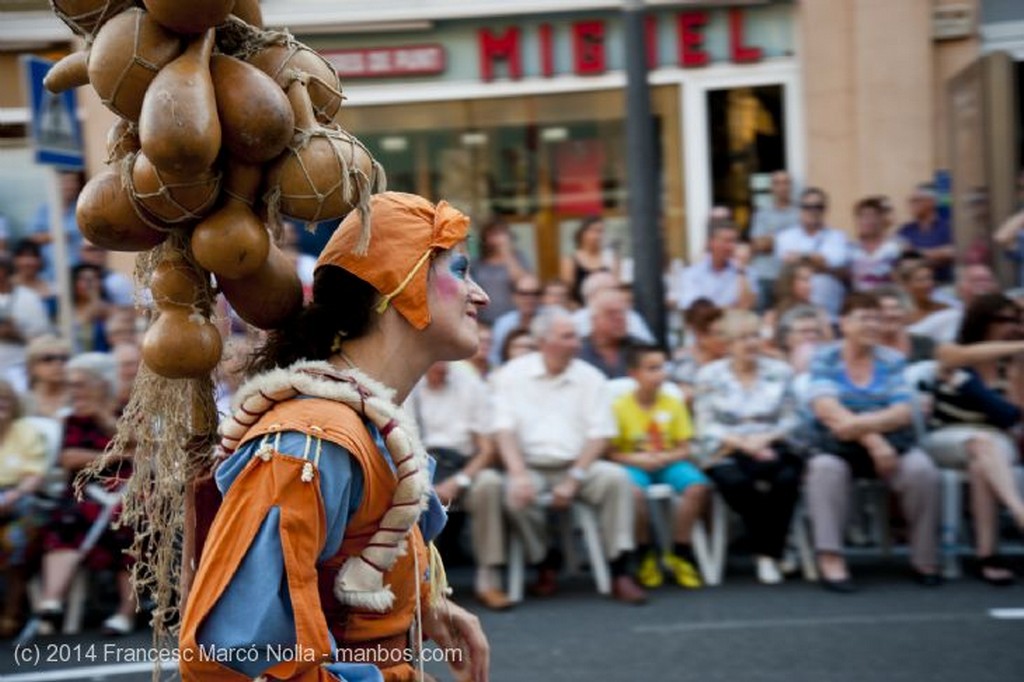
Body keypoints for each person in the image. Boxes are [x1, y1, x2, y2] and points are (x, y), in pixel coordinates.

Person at [180, 193, 490, 682]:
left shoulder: (362, 425)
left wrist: (425, 608)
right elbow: (233, 662)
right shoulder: (310, 442)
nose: (481, 295)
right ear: (399, 285)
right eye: (461, 271)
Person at [481, 306, 646, 604]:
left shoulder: (591, 377)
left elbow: (601, 434)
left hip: (579, 464)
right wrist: (518, 474)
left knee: (617, 480)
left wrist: (574, 477)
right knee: (514, 494)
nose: (577, 342)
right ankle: (545, 559)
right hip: (530, 464)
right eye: (568, 336)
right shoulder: (511, 375)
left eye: (575, 335)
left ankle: (621, 569)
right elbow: (502, 430)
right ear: (544, 341)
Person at [804, 293, 942, 592]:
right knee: (824, 468)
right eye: (863, 318)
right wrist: (875, 440)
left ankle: (925, 557)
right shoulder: (825, 357)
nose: (871, 325)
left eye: (875, 318)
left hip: (890, 441)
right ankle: (830, 558)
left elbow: (904, 411)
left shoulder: (892, 360)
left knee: (921, 470)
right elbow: (827, 409)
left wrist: (861, 426)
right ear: (844, 323)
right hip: (840, 446)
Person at [694, 310, 804, 584]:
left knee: (786, 478)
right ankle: (774, 550)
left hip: (773, 444)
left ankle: (767, 552)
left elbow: (792, 418)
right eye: (742, 338)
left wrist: (765, 440)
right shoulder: (710, 375)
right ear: (728, 344)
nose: (750, 343)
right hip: (728, 448)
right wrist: (742, 444)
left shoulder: (780, 371)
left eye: (755, 336)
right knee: (736, 482)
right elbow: (705, 424)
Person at [922, 293, 1024, 585]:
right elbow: (955, 359)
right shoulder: (952, 351)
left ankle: (986, 555)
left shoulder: (1014, 365)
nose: (1012, 326)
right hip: (945, 438)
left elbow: (1010, 415)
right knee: (981, 443)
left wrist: (971, 388)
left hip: (994, 439)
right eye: (1004, 319)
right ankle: (1019, 511)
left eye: (1016, 320)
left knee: (982, 459)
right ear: (983, 321)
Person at [37, 352, 136, 635]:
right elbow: (69, 458)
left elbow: (139, 447)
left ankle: (125, 614)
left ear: (101, 383)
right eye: (72, 384)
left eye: (80, 384)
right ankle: (51, 601)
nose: (74, 390)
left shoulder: (126, 409)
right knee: (66, 519)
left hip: (126, 491)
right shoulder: (72, 419)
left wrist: (102, 416)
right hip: (84, 493)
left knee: (127, 524)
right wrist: (116, 455)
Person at [406, 362, 506, 609]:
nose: (441, 365)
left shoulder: (470, 385)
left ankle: (488, 578)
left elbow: (487, 449)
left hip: (465, 468)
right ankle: (425, 583)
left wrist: (460, 481)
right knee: (411, 491)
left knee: (490, 484)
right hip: (421, 468)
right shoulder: (408, 385)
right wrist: (426, 481)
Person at [611, 344, 708, 590]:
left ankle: (680, 550)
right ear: (634, 374)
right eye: (652, 369)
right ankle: (645, 552)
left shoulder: (672, 403)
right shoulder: (619, 407)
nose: (660, 375)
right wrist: (638, 460)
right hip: (634, 462)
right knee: (633, 493)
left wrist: (667, 456)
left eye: (662, 368)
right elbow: (610, 452)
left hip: (667, 461)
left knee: (696, 486)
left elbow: (685, 446)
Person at [0, 379, 49, 637]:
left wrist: (14, 496)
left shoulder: (25, 431)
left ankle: (13, 608)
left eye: (4, 400)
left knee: (15, 538)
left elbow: (35, 476)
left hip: (22, 498)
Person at [773, 187, 850, 319]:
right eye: (807, 206)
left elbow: (839, 268)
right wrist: (819, 262)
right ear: (799, 209)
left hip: (830, 311)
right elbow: (787, 270)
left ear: (825, 209)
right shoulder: (784, 237)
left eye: (818, 206)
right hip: (794, 312)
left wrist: (802, 258)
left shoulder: (838, 237)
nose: (813, 211)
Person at [0, 254, 51, 393]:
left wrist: (16, 334)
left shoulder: (28, 297)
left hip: (19, 367)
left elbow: (43, 338)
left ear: (3, 271)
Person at [749, 170, 800, 311]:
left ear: (791, 186)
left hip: (790, 276)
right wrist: (786, 238)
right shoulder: (762, 213)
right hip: (765, 275)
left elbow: (800, 243)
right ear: (772, 188)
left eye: (786, 183)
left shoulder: (800, 213)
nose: (782, 187)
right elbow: (758, 244)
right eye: (777, 183)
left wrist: (772, 238)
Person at [676, 222, 755, 311]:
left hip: (734, 323)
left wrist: (741, 271)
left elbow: (746, 307)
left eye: (734, 241)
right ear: (712, 242)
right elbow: (693, 307)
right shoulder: (692, 273)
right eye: (727, 241)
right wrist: (728, 309)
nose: (732, 246)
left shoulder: (745, 271)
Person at [29, 169, 84, 281]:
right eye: (66, 182)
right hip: (49, 272)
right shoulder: (44, 210)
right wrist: (58, 236)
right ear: (56, 185)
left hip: (78, 272)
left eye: (73, 182)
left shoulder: (82, 208)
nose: (70, 186)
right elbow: (33, 238)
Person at [472, 220, 530, 325]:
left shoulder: (518, 258)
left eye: (501, 233)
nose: (497, 238)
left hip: (512, 319)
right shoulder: (477, 263)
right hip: (483, 320)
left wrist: (506, 252)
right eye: (493, 234)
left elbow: (522, 283)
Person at [572, 271, 655, 344]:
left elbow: (648, 348)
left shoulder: (632, 316)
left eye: (618, 289)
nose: (617, 293)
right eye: (612, 289)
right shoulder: (575, 321)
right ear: (590, 295)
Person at [578, 289, 645, 378]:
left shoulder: (642, 349)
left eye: (622, 312)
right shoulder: (576, 351)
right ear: (594, 319)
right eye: (611, 313)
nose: (619, 318)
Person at [897, 183, 954, 284]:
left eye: (916, 201)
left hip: (943, 283)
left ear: (931, 202)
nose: (911, 205)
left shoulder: (947, 227)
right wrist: (935, 256)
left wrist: (918, 253)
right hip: (914, 286)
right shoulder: (905, 230)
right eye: (911, 201)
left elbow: (952, 252)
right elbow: (903, 258)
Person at [671, 300, 728, 399]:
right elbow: (685, 395)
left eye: (726, 333)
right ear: (701, 336)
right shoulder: (685, 362)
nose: (725, 339)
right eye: (719, 334)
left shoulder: (732, 359)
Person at [849, 197, 904, 292]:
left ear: (881, 219)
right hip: (860, 299)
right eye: (863, 216)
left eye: (872, 216)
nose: (868, 221)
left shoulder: (896, 246)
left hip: (889, 299)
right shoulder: (850, 249)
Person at [561, 216, 617, 306]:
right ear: (582, 233)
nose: (598, 236)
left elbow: (616, 288)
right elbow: (567, 293)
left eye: (601, 231)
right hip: (580, 309)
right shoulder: (571, 260)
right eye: (594, 231)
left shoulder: (610, 258)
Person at [489, 274, 542, 368]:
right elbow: (495, 357)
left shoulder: (552, 320)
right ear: (514, 296)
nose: (530, 298)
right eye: (523, 293)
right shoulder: (503, 323)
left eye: (535, 293)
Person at [876, 287, 937, 363]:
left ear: (907, 312)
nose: (889, 314)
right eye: (881, 309)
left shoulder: (925, 344)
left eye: (895, 308)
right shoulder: (865, 348)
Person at [21, 335, 70, 419]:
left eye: (63, 358)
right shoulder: (21, 403)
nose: (58, 363)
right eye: (48, 359)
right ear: (32, 367)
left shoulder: (80, 398)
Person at [11, 239, 56, 321]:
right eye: (22, 256)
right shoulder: (5, 287)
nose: (28, 262)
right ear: (14, 260)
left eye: (33, 256)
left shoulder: (53, 288)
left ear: (40, 260)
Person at [70, 263, 110, 354]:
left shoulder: (109, 309)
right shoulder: (65, 308)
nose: (90, 284)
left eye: (95, 278)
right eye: (84, 279)